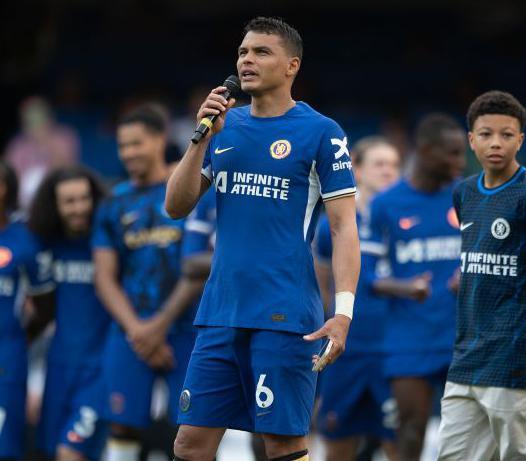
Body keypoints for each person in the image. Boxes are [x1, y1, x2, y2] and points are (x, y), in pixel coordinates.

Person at [165, 17, 360, 461]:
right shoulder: (224, 128)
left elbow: (344, 228)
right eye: (242, 52)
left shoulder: (321, 132)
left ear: (292, 65)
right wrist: (200, 140)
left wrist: (343, 313)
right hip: (219, 312)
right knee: (189, 444)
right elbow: (176, 206)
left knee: (283, 444)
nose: (246, 60)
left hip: (285, 315)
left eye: (261, 52)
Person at [435, 90, 526, 460]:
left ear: (521, 139)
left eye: (506, 134)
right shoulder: (464, 193)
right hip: (467, 355)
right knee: (452, 455)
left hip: (516, 358)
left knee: (518, 455)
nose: (496, 143)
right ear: (471, 140)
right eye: (485, 134)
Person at [92, 104, 201, 461]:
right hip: (130, 330)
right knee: (122, 425)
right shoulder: (114, 202)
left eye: (136, 143)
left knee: (192, 427)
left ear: (159, 140)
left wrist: (160, 326)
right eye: (123, 146)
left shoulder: (192, 190)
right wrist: (140, 331)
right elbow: (105, 278)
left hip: (187, 328)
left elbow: (202, 266)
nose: (128, 153)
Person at [363, 113, 466, 460]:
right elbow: (369, 278)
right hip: (408, 337)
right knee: (409, 431)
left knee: (467, 435)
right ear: (424, 150)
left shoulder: (464, 195)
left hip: (460, 335)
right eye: (451, 153)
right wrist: (406, 288)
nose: (460, 162)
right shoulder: (385, 204)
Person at [314, 137, 402, 461]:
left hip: (391, 350)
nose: (388, 172)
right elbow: (323, 283)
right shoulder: (331, 226)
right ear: (357, 169)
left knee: (398, 444)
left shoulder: (405, 222)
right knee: (337, 440)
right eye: (379, 164)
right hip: (346, 351)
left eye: (394, 165)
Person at [26, 167, 110, 461]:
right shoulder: (45, 245)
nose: (78, 208)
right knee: (51, 452)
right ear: (55, 206)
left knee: (69, 452)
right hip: (58, 369)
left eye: (84, 199)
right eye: (69, 201)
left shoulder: (109, 243)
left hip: (101, 371)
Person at [0, 160, 56, 461]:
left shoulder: (23, 239)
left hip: (6, 358)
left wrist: (19, 340)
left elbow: (46, 306)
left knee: (5, 446)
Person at [3, 96, 79, 208]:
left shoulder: (65, 136)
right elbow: (10, 180)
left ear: (49, 117)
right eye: (29, 118)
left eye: (38, 116)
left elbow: (65, 171)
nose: (34, 122)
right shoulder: (17, 144)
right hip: (24, 204)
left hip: (55, 199)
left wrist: (46, 141)